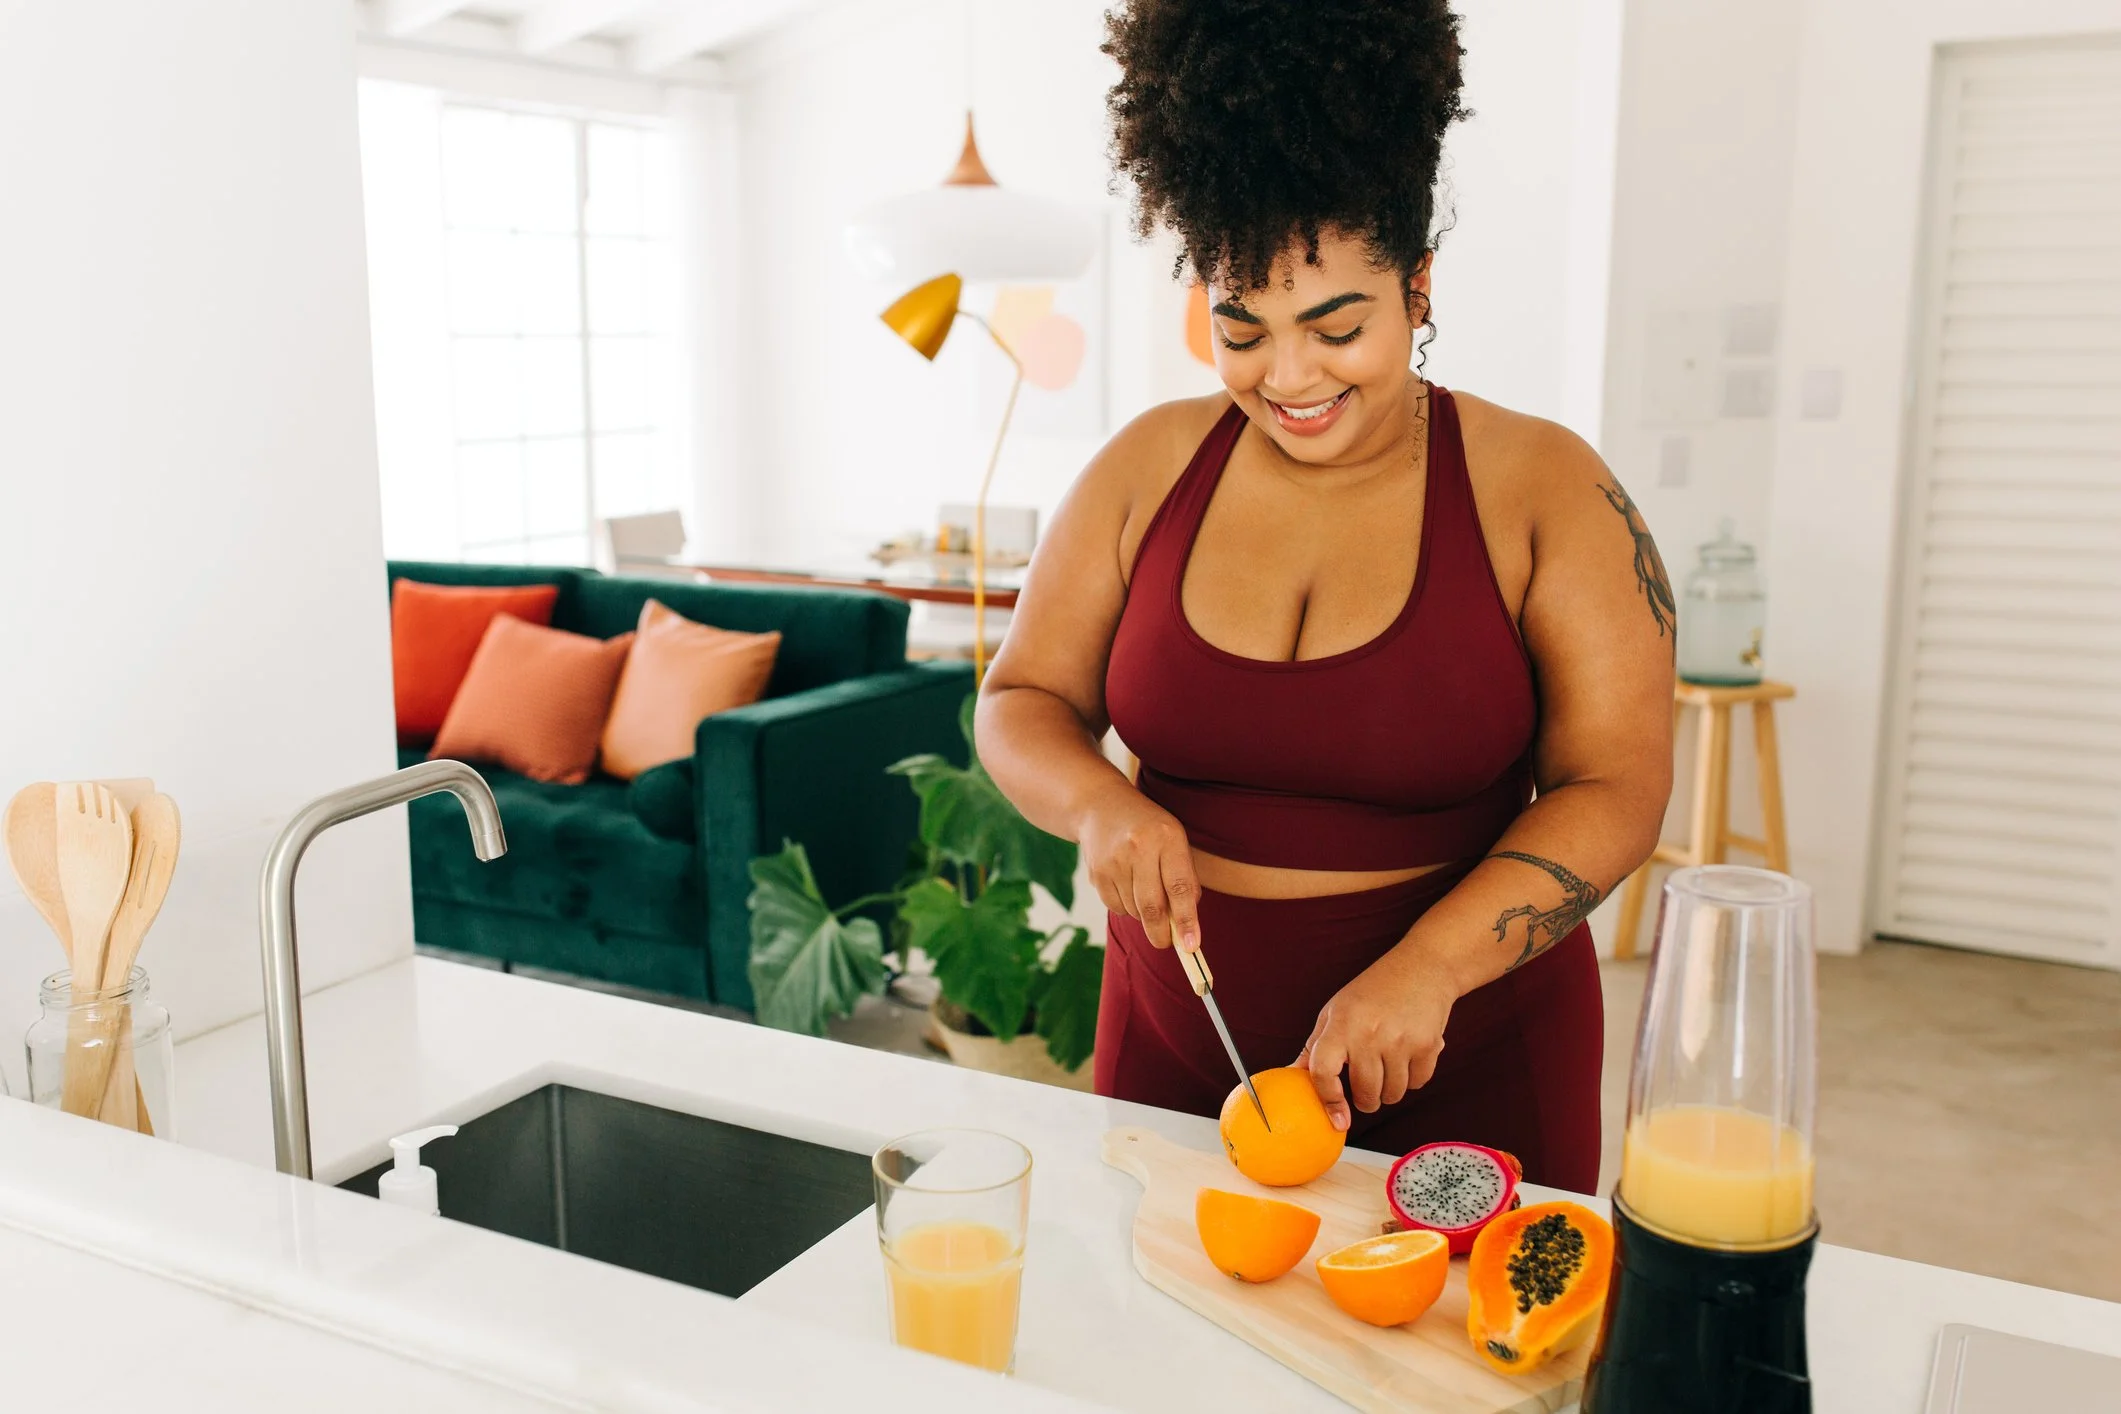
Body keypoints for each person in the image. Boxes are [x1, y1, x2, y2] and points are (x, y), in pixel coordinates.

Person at [975, 0, 1674, 1193]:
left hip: (1466, 1054)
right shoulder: (1145, 468)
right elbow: (1022, 697)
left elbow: (1618, 787)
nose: (1287, 377)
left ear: (1418, 287)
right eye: (1241, 329)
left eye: (1336, 326)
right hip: (1173, 1049)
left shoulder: (1548, 488)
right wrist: (1098, 807)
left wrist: (1431, 966)